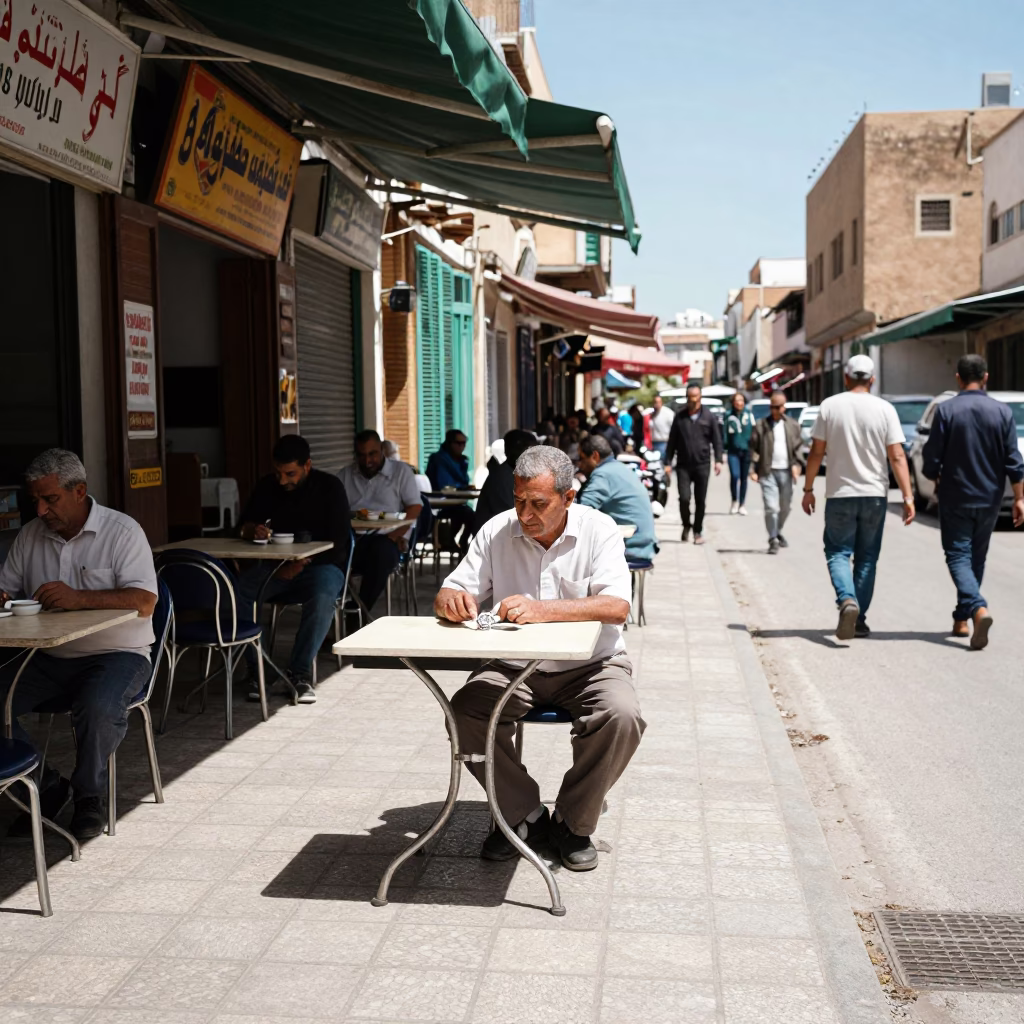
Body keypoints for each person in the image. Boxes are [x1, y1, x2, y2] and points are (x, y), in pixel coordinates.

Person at [436, 446, 644, 871]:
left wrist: (542, 609)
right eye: (518, 500)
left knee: (622, 716)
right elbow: (451, 590)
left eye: (539, 504)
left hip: (591, 666)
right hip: (513, 665)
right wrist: (450, 600)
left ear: (568, 498)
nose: (526, 514)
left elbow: (616, 607)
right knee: (465, 711)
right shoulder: (498, 530)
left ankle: (572, 821)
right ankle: (523, 815)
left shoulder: (598, 529)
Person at [0, 449, 158, 839]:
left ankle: (90, 794)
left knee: (97, 705)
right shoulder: (30, 535)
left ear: (79, 491)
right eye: (34, 499)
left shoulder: (122, 532)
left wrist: (80, 596)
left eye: (49, 499)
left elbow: (145, 601)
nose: (40, 510)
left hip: (118, 654)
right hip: (49, 656)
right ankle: (45, 784)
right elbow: (6, 588)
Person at [802, 354, 914, 640]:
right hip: (875, 495)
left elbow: (816, 452)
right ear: (872, 380)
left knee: (838, 552)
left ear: (846, 377)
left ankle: (846, 600)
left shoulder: (830, 406)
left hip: (840, 494)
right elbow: (897, 455)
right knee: (867, 558)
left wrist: (808, 489)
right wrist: (908, 496)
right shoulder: (885, 409)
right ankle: (859, 618)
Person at [237, 434, 351, 704]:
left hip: (321, 566)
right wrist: (254, 530)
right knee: (236, 592)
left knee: (323, 597)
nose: (282, 480)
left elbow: (339, 541)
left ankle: (298, 672)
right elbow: (243, 526)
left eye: (290, 473)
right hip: (274, 568)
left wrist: (299, 564)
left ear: (307, 465)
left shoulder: (330, 487)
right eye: (278, 473)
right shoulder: (268, 486)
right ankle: (260, 670)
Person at [921, 353, 1024, 648]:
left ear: (958, 378)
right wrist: (1019, 498)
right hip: (990, 498)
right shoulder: (1002, 412)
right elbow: (1014, 460)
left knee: (957, 556)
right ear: (986, 377)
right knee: (975, 559)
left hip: (956, 497)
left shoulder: (947, 410)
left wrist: (935, 477)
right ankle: (961, 619)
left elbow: (931, 458)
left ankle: (977, 608)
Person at [338, 430, 423, 612]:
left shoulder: (401, 472)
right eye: (361, 455)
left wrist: (397, 535)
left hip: (387, 539)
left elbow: (415, 507)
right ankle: (334, 613)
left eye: (372, 454)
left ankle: (359, 610)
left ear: (382, 450)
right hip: (353, 539)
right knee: (330, 557)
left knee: (380, 554)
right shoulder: (345, 475)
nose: (367, 461)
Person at [577, 434, 658, 563]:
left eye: (581, 459)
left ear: (594, 456)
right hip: (643, 542)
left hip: (632, 545)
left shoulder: (603, 474)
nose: (580, 465)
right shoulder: (618, 468)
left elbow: (582, 511)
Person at [663, 382, 723, 544]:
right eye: (690, 397)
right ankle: (686, 525)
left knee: (700, 500)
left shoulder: (709, 417)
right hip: (683, 465)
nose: (693, 400)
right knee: (684, 498)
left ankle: (697, 531)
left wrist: (718, 460)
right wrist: (667, 462)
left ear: (701, 397)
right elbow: (672, 442)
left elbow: (717, 440)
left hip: (702, 464)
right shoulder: (680, 417)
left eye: (696, 397)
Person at [750, 391, 805, 554]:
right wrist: (753, 469)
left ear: (783, 407)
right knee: (771, 508)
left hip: (787, 471)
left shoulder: (792, 425)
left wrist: (797, 465)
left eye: (778, 407)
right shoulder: (761, 426)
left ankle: (777, 529)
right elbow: (753, 449)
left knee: (786, 506)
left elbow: (797, 448)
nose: (775, 410)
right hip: (768, 471)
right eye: (773, 407)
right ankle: (773, 538)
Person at [472, 429, 537, 533]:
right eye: (529, 449)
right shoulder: (503, 477)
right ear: (510, 451)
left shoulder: (519, 474)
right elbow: (513, 514)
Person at [426, 429, 474, 556]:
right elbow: (444, 485)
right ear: (449, 443)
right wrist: (461, 488)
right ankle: (454, 542)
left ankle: (457, 541)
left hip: (456, 502)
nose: (462, 446)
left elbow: (464, 482)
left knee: (470, 514)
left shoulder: (462, 461)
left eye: (464, 443)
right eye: (458, 443)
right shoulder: (439, 459)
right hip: (439, 503)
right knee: (467, 514)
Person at [725, 393, 755, 515]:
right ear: (733, 402)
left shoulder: (749, 414)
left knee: (744, 478)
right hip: (732, 451)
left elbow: (754, 433)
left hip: (746, 450)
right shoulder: (728, 415)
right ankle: (734, 501)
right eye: (737, 400)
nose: (739, 403)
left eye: (741, 400)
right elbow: (724, 434)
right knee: (734, 475)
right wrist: (722, 450)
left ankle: (742, 504)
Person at [649, 395, 675, 464]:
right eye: (655, 402)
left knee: (665, 464)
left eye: (658, 402)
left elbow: (674, 429)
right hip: (654, 442)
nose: (656, 404)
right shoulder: (652, 414)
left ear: (661, 403)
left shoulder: (668, 413)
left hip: (664, 442)